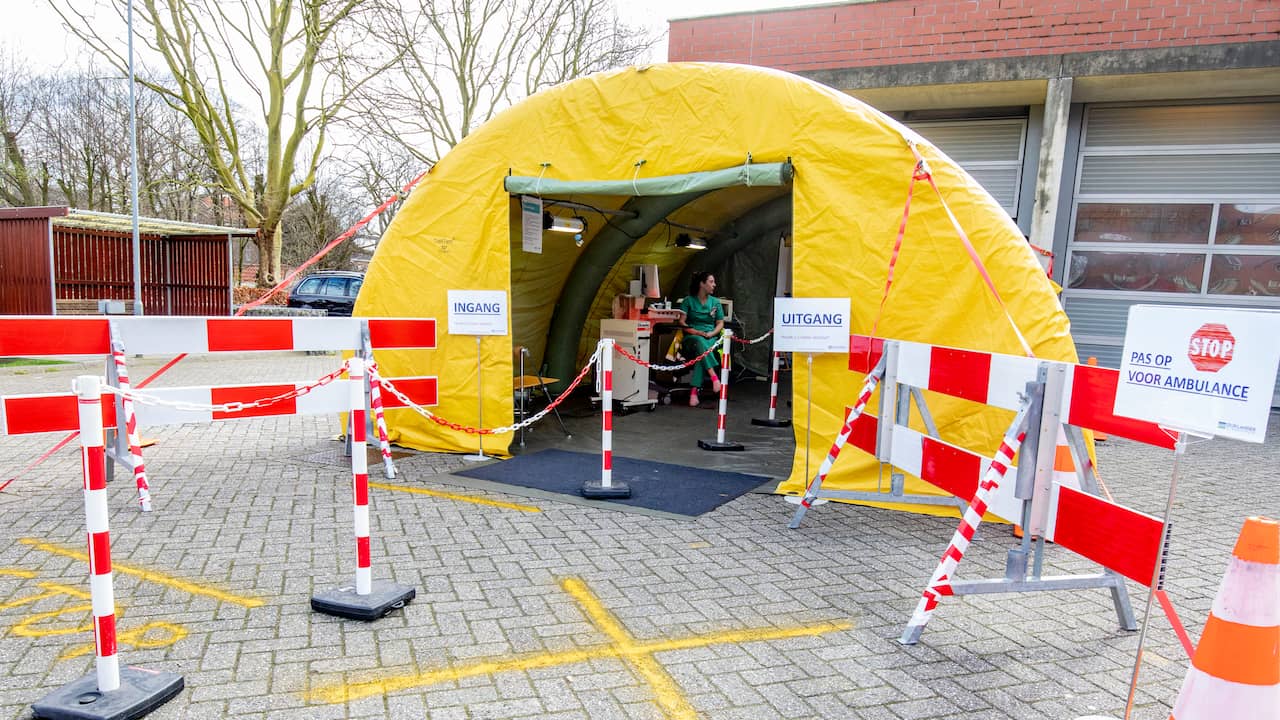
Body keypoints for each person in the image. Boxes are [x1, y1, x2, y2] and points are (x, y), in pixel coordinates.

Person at [678, 271, 725, 407]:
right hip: (692, 337)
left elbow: (720, 323)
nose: (714, 285)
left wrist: (712, 333)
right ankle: (714, 377)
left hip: (710, 337)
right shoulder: (688, 301)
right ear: (702, 284)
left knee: (701, 354)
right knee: (699, 343)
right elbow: (682, 322)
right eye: (711, 282)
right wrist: (696, 331)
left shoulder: (715, 302)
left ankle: (694, 392)